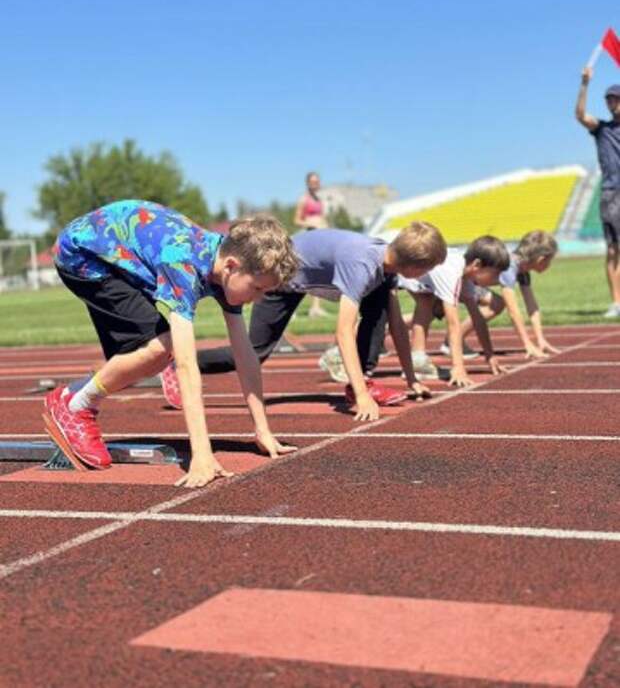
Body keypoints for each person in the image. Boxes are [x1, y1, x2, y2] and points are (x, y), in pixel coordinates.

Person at [43, 200, 299, 487]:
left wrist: (262, 430)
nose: (260, 298)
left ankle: (80, 395)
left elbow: (245, 354)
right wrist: (202, 454)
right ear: (231, 266)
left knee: (140, 357)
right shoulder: (184, 264)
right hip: (83, 256)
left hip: (122, 255)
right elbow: (187, 365)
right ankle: (75, 404)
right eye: (257, 288)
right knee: (162, 347)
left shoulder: (225, 264)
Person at [161, 222, 448, 422]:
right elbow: (343, 332)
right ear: (415, 267)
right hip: (280, 278)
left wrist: (412, 380)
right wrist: (361, 398)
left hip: (310, 275)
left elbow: (396, 326)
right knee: (254, 352)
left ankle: (364, 379)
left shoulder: (387, 266)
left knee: (381, 306)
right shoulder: (363, 263)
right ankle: (177, 364)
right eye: (429, 269)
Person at [399, 235, 510, 388]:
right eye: (495, 273)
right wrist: (458, 367)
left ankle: (417, 359)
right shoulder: (452, 273)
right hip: (404, 271)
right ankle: (416, 358)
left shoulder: (466, 275)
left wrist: (489, 355)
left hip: (421, 273)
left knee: (426, 305)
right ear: (477, 265)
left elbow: (477, 318)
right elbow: (453, 324)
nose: (498, 279)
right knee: (426, 304)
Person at [445, 230, 559, 359]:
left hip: (471, 284)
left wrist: (540, 339)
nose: (550, 264)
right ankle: (453, 340)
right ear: (541, 259)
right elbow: (513, 311)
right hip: (460, 282)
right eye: (550, 260)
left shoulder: (523, 271)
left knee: (496, 303)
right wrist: (527, 344)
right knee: (497, 303)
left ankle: (453, 339)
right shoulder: (510, 268)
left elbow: (532, 306)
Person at [575, 70, 620, 318]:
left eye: (615, 98)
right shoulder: (602, 129)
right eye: (609, 99)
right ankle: (616, 303)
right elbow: (580, 115)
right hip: (612, 193)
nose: (611, 103)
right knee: (613, 250)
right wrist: (584, 84)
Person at [294, 171, 329, 318]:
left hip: (320, 238)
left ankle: (315, 308)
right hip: (308, 238)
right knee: (304, 271)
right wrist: (311, 223)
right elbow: (296, 220)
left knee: (318, 271)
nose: (315, 185)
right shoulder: (303, 200)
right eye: (313, 182)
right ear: (308, 183)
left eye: (317, 182)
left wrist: (324, 225)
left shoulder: (320, 201)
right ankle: (292, 309)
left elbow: (322, 219)